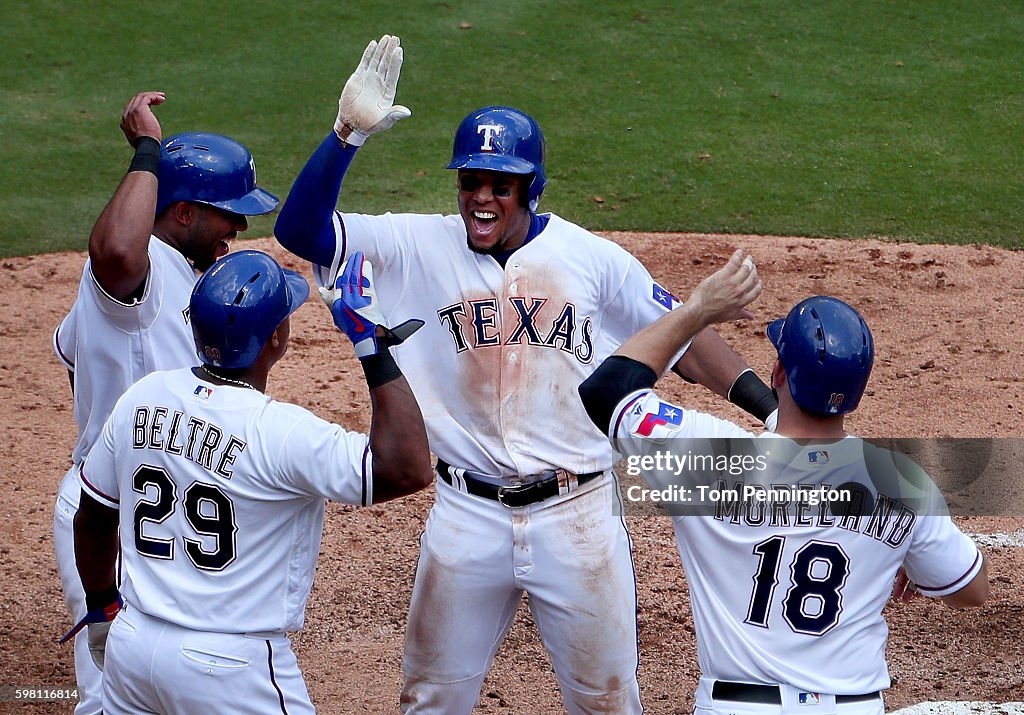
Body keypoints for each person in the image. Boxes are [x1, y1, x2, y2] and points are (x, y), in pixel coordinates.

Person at [273, 35, 779, 713]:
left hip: (577, 516)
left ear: (530, 189)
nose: (481, 199)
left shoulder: (592, 259)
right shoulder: (416, 242)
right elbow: (302, 232)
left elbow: (684, 334)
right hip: (467, 516)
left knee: (608, 701)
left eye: (499, 186)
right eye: (470, 182)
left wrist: (770, 411)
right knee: (429, 700)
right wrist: (344, 138)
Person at [579, 250, 989, 715]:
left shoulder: (709, 455)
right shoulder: (901, 479)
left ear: (777, 374)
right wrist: (904, 554)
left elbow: (605, 390)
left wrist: (695, 312)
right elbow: (970, 590)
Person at [68, 249, 434, 714]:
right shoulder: (281, 433)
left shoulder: (143, 396)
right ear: (276, 339)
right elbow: (408, 468)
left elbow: (95, 517)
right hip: (230, 670)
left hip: (134, 647)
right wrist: (372, 347)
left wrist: (102, 606)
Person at [52, 91, 279, 714]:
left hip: (163, 505)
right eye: (228, 213)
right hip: (115, 513)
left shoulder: (165, 282)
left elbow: (72, 353)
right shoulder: (135, 275)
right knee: (111, 698)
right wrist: (148, 151)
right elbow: (118, 253)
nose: (239, 226)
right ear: (180, 212)